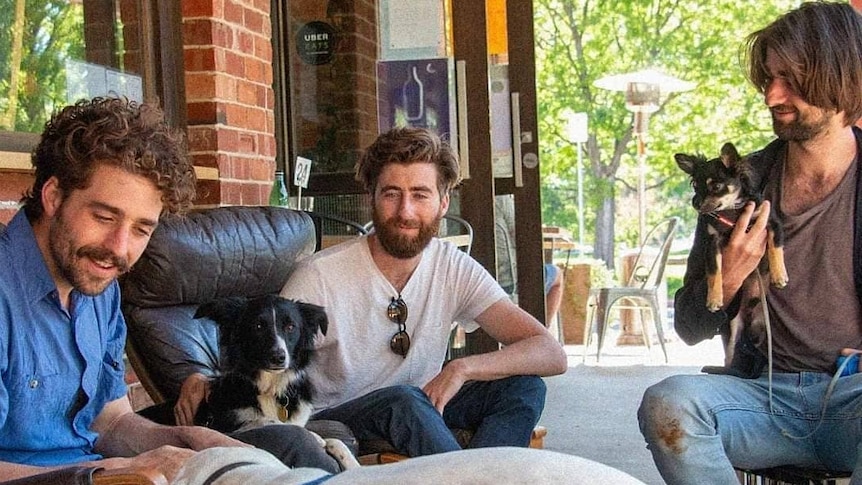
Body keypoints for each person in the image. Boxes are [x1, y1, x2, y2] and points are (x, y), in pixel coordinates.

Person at [0, 97, 332, 481]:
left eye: (142, 229)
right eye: (104, 217)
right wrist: (116, 470)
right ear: (54, 196)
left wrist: (192, 439)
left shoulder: (97, 287)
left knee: (289, 456)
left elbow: (110, 424)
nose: (119, 248)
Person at [638, 2, 862, 483]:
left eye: (790, 79)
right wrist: (733, 274)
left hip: (854, 398)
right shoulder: (738, 187)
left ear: (841, 76)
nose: (770, 96)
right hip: (763, 397)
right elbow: (690, 327)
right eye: (767, 80)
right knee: (668, 404)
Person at [278, 127, 568, 457]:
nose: (405, 211)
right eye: (391, 194)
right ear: (371, 196)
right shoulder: (318, 277)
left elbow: (550, 353)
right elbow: (267, 377)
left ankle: (481, 476)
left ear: (443, 202)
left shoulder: (452, 267)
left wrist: (461, 368)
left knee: (523, 387)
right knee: (403, 400)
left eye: (420, 195)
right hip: (338, 416)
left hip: (421, 405)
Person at [495, 194, 565, 325]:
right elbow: (522, 236)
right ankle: (542, 334)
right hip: (508, 280)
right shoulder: (500, 199)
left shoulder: (450, 199)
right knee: (557, 275)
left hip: (469, 278)